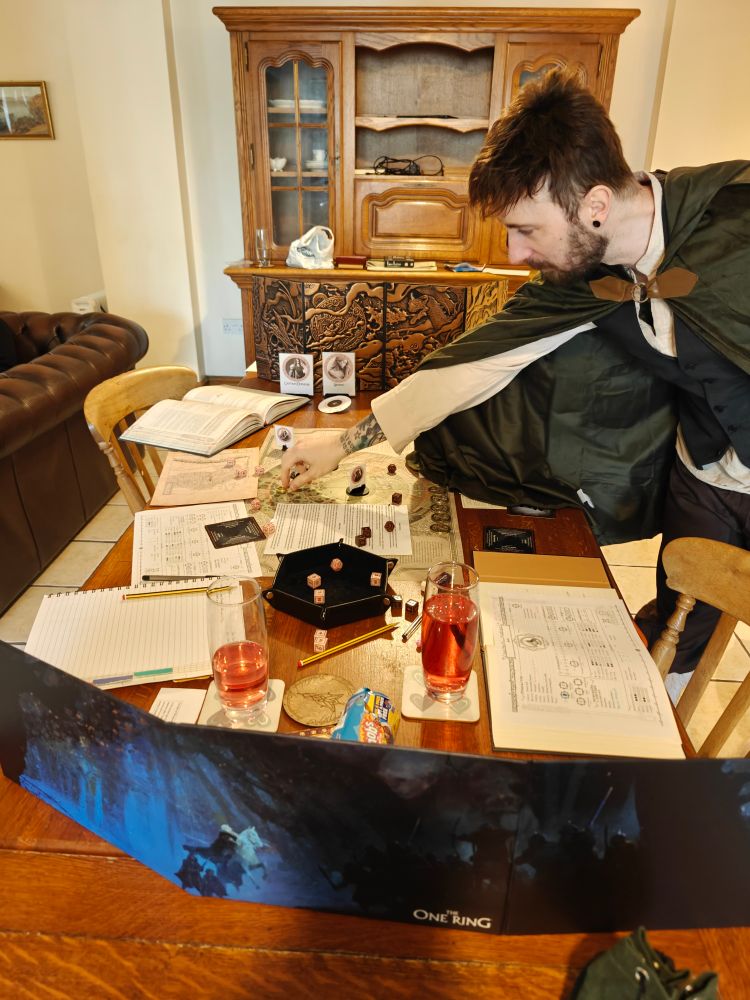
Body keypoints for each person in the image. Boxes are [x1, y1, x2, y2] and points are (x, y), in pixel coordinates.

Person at [281, 69, 750, 699]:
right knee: (679, 621)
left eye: (527, 229)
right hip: (704, 469)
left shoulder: (737, 228)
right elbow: (471, 365)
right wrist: (341, 445)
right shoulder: (585, 273)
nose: (517, 253)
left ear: (596, 206)